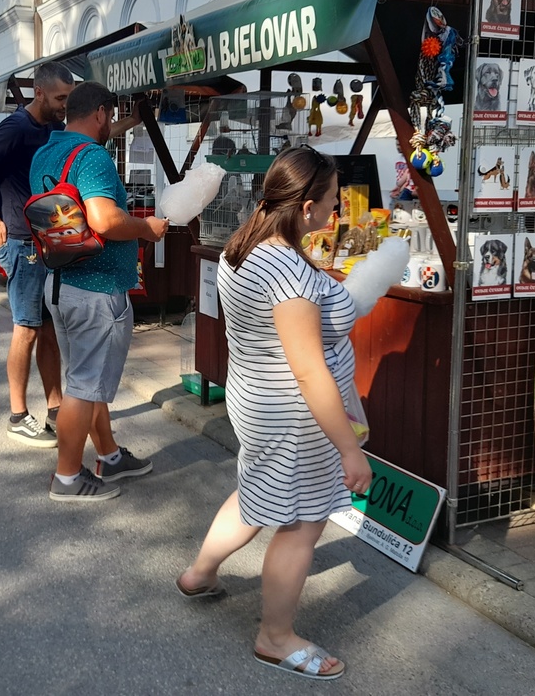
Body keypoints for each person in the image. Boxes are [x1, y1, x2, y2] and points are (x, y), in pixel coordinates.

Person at [175, 145, 372, 681]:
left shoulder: (245, 246)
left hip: (256, 400)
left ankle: (199, 573)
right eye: (332, 199)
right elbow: (309, 371)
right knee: (302, 523)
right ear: (307, 207)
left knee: (255, 494)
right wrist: (349, 449)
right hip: (294, 415)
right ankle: (275, 637)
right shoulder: (289, 272)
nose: (336, 208)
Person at [28, 81, 168, 501]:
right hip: (97, 291)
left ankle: (109, 456)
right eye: (111, 116)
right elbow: (105, 220)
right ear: (102, 113)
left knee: (84, 381)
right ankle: (67, 477)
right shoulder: (93, 156)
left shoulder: (46, 151)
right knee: (85, 387)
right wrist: (146, 228)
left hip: (60, 282)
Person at [0, 61, 73, 447]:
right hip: (22, 244)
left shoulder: (51, 126)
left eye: (69, 98)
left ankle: (55, 409)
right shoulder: (17, 127)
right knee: (27, 329)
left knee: (48, 329)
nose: (65, 105)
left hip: (43, 242)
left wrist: (132, 121)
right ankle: (18, 416)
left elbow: (86, 135)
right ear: (39, 93)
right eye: (60, 98)